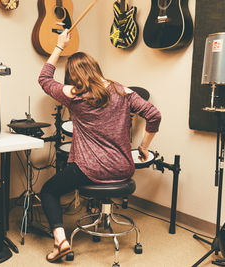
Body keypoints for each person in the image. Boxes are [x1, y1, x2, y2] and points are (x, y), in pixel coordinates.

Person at [38, 29, 161, 263]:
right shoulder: (122, 91)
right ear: (95, 69)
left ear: (73, 76)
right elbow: (154, 114)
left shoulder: (73, 94)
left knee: (49, 190)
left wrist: (59, 46)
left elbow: (44, 79)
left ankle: (60, 241)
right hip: (123, 168)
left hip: (88, 170)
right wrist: (144, 147)